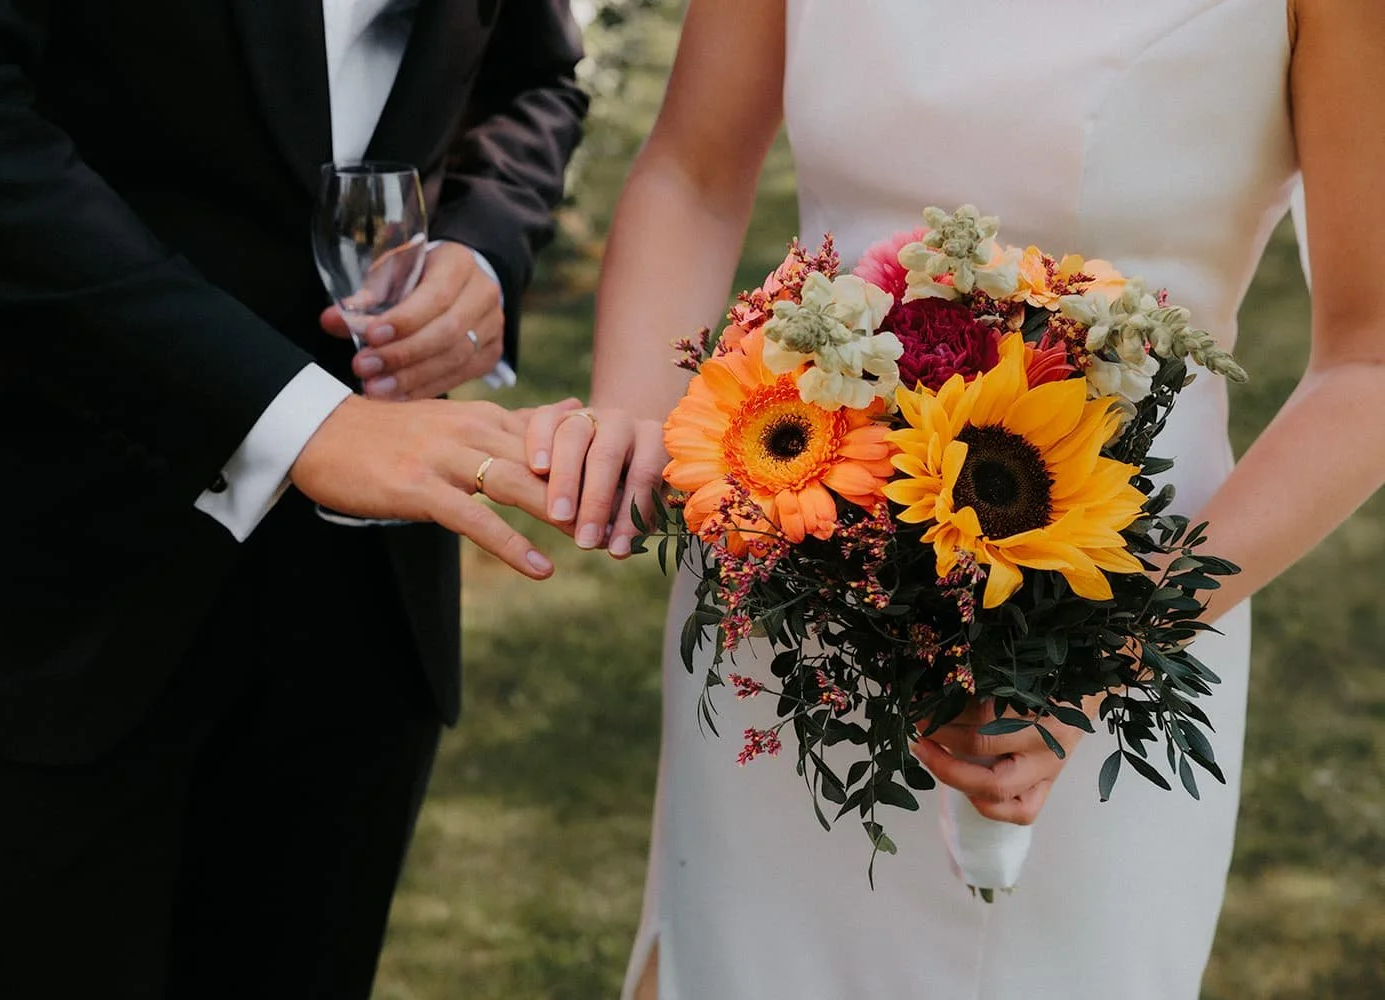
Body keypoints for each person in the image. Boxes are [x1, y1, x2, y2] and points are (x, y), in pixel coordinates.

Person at [529, 1, 1385, 997]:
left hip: (1094, 630)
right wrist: (634, 414)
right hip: (792, 583)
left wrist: (1110, 650)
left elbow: (1368, 362)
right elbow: (693, 171)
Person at [0, 1, 586, 997]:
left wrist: (481, 250)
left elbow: (533, 80)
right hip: (52, 574)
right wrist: (293, 419)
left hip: (364, 605)